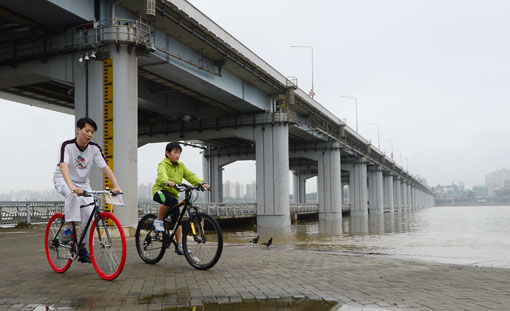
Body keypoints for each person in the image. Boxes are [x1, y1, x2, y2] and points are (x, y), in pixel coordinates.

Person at [53, 117, 121, 263]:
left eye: (92, 132)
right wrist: (71, 186)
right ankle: (68, 229)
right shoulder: (67, 145)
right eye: (87, 131)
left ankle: (82, 247)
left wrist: (116, 186)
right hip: (63, 179)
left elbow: (105, 168)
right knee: (72, 195)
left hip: (83, 183)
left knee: (90, 215)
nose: (90, 134)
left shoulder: (94, 148)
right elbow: (64, 165)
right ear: (78, 130)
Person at [152, 142, 210, 255]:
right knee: (169, 201)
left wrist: (201, 183)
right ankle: (158, 220)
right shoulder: (162, 164)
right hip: (160, 190)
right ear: (167, 153)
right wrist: (167, 182)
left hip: (173, 194)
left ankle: (179, 246)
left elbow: (190, 175)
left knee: (177, 220)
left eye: (179, 153)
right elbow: (162, 174)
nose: (177, 155)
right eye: (174, 152)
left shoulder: (181, 165)